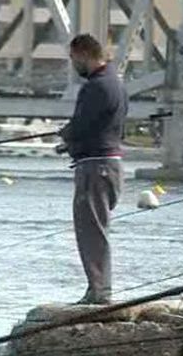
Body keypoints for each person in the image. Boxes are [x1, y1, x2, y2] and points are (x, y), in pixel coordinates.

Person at [59, 33, 128, 305]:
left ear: (84, 53)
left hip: (95, 169)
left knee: (91, 231)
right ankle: (99, 289)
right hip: (109, 164)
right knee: (96, 229)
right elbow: (104, 128)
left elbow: (81, 125)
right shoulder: (117, 85)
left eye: (73, 58)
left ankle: (99, 292)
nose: (73, 64)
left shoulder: (96, 87)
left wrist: (67, 135)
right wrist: (72, 145)